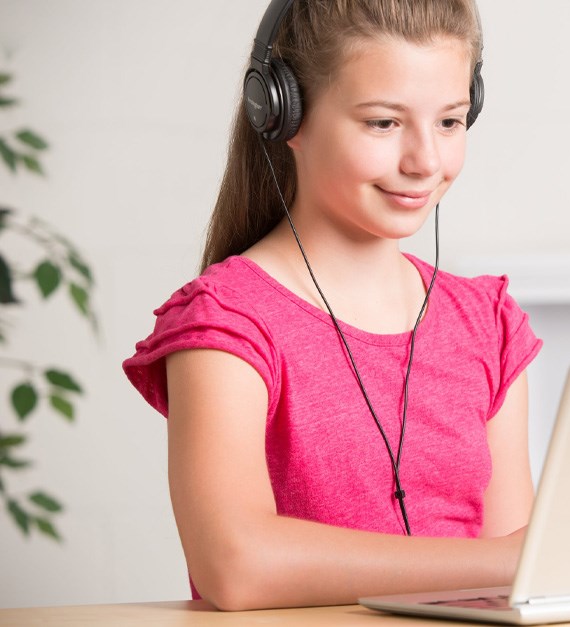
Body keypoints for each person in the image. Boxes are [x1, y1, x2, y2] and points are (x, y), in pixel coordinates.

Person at [122, 0, 541, 611]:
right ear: (283, 114)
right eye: (383, 123)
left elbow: (519, 591)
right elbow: (236, 566)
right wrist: (504, 561)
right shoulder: (227, 321)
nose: (425, 161)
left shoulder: (488, 324)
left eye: (449, 122)